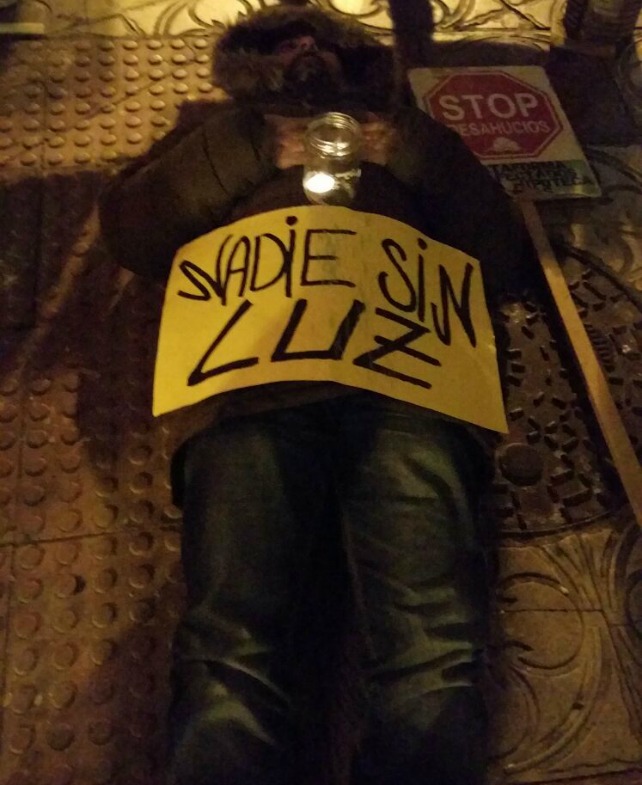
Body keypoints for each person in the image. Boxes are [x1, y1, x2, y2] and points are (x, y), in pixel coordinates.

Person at [99, 4, 533, 785]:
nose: (306, 50)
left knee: (435, 649)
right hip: (253, 390)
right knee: (230, 650)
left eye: (321, 40)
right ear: (251, 66)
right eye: (283, 42)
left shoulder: (405, 133)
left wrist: (408, 148)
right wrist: (252, 146)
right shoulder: (219, 130)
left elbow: (501, 252)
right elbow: (133, 231)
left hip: (409, 387)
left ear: (354, 61)